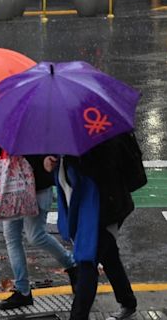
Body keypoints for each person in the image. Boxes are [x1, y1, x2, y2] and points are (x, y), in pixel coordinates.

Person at [44, 132, 142, 320]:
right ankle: (128, 302)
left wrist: (75, 158)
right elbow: (67, 178)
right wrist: (52, 162)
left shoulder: (104, 132)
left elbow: (104, 167)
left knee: (86, 261)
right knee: (109, 255)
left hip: (107, 207)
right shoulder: (70, 134)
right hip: (88, 210)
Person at [0, 134, 77, 310]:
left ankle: (73, 266)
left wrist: (48, 160)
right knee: (12, 237)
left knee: (36, 236)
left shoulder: (39, 116)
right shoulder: (2, 121)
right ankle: (23, 291)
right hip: (10, 188)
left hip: (37, 187)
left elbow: (52, 145)